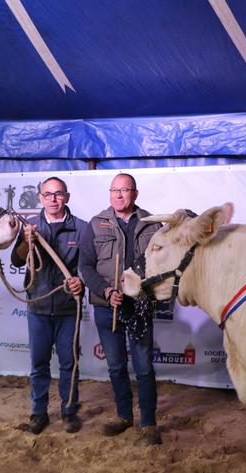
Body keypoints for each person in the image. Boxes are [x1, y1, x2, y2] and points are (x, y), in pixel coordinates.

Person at [79, 173, 162, 446]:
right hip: (107, 306)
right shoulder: (96, 224)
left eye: (124, 190)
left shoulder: (152, 224)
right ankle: (124, 416)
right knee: (115, 366)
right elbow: (86, 267)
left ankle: (148, 423)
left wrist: (142, 291)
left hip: (139, 305)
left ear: (135, 194)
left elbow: (161, 266)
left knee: (144, 367)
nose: (118, 195)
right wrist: (106, 291)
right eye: (114, 190)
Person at [11, 177, 87, 434]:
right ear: (40, 198)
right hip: (39, 308)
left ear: (66, 197)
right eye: (48, 194)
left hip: (68, 309)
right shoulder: (30, 226)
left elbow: (88, 267)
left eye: (58, 194)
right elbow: (18, 260)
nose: (53, 199)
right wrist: (26, 241)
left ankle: (69, 412)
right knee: (39, 364)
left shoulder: (82, 228)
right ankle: (38, 413)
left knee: (69, 363)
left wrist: (81, 283)